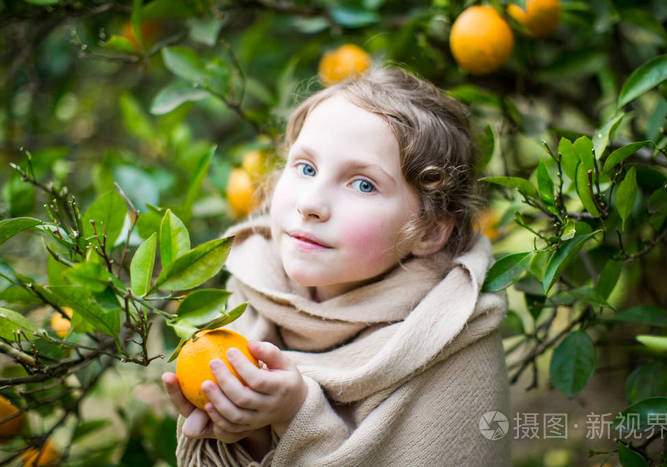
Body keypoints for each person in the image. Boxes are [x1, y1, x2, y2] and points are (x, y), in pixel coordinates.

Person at [162, 64, 510, 466]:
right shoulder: (251, 289)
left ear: (430, 231)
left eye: (363, 184)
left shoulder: (453, 335)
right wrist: (249, 430)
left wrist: (298, 416)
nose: (311, 203)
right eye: (306, 167)